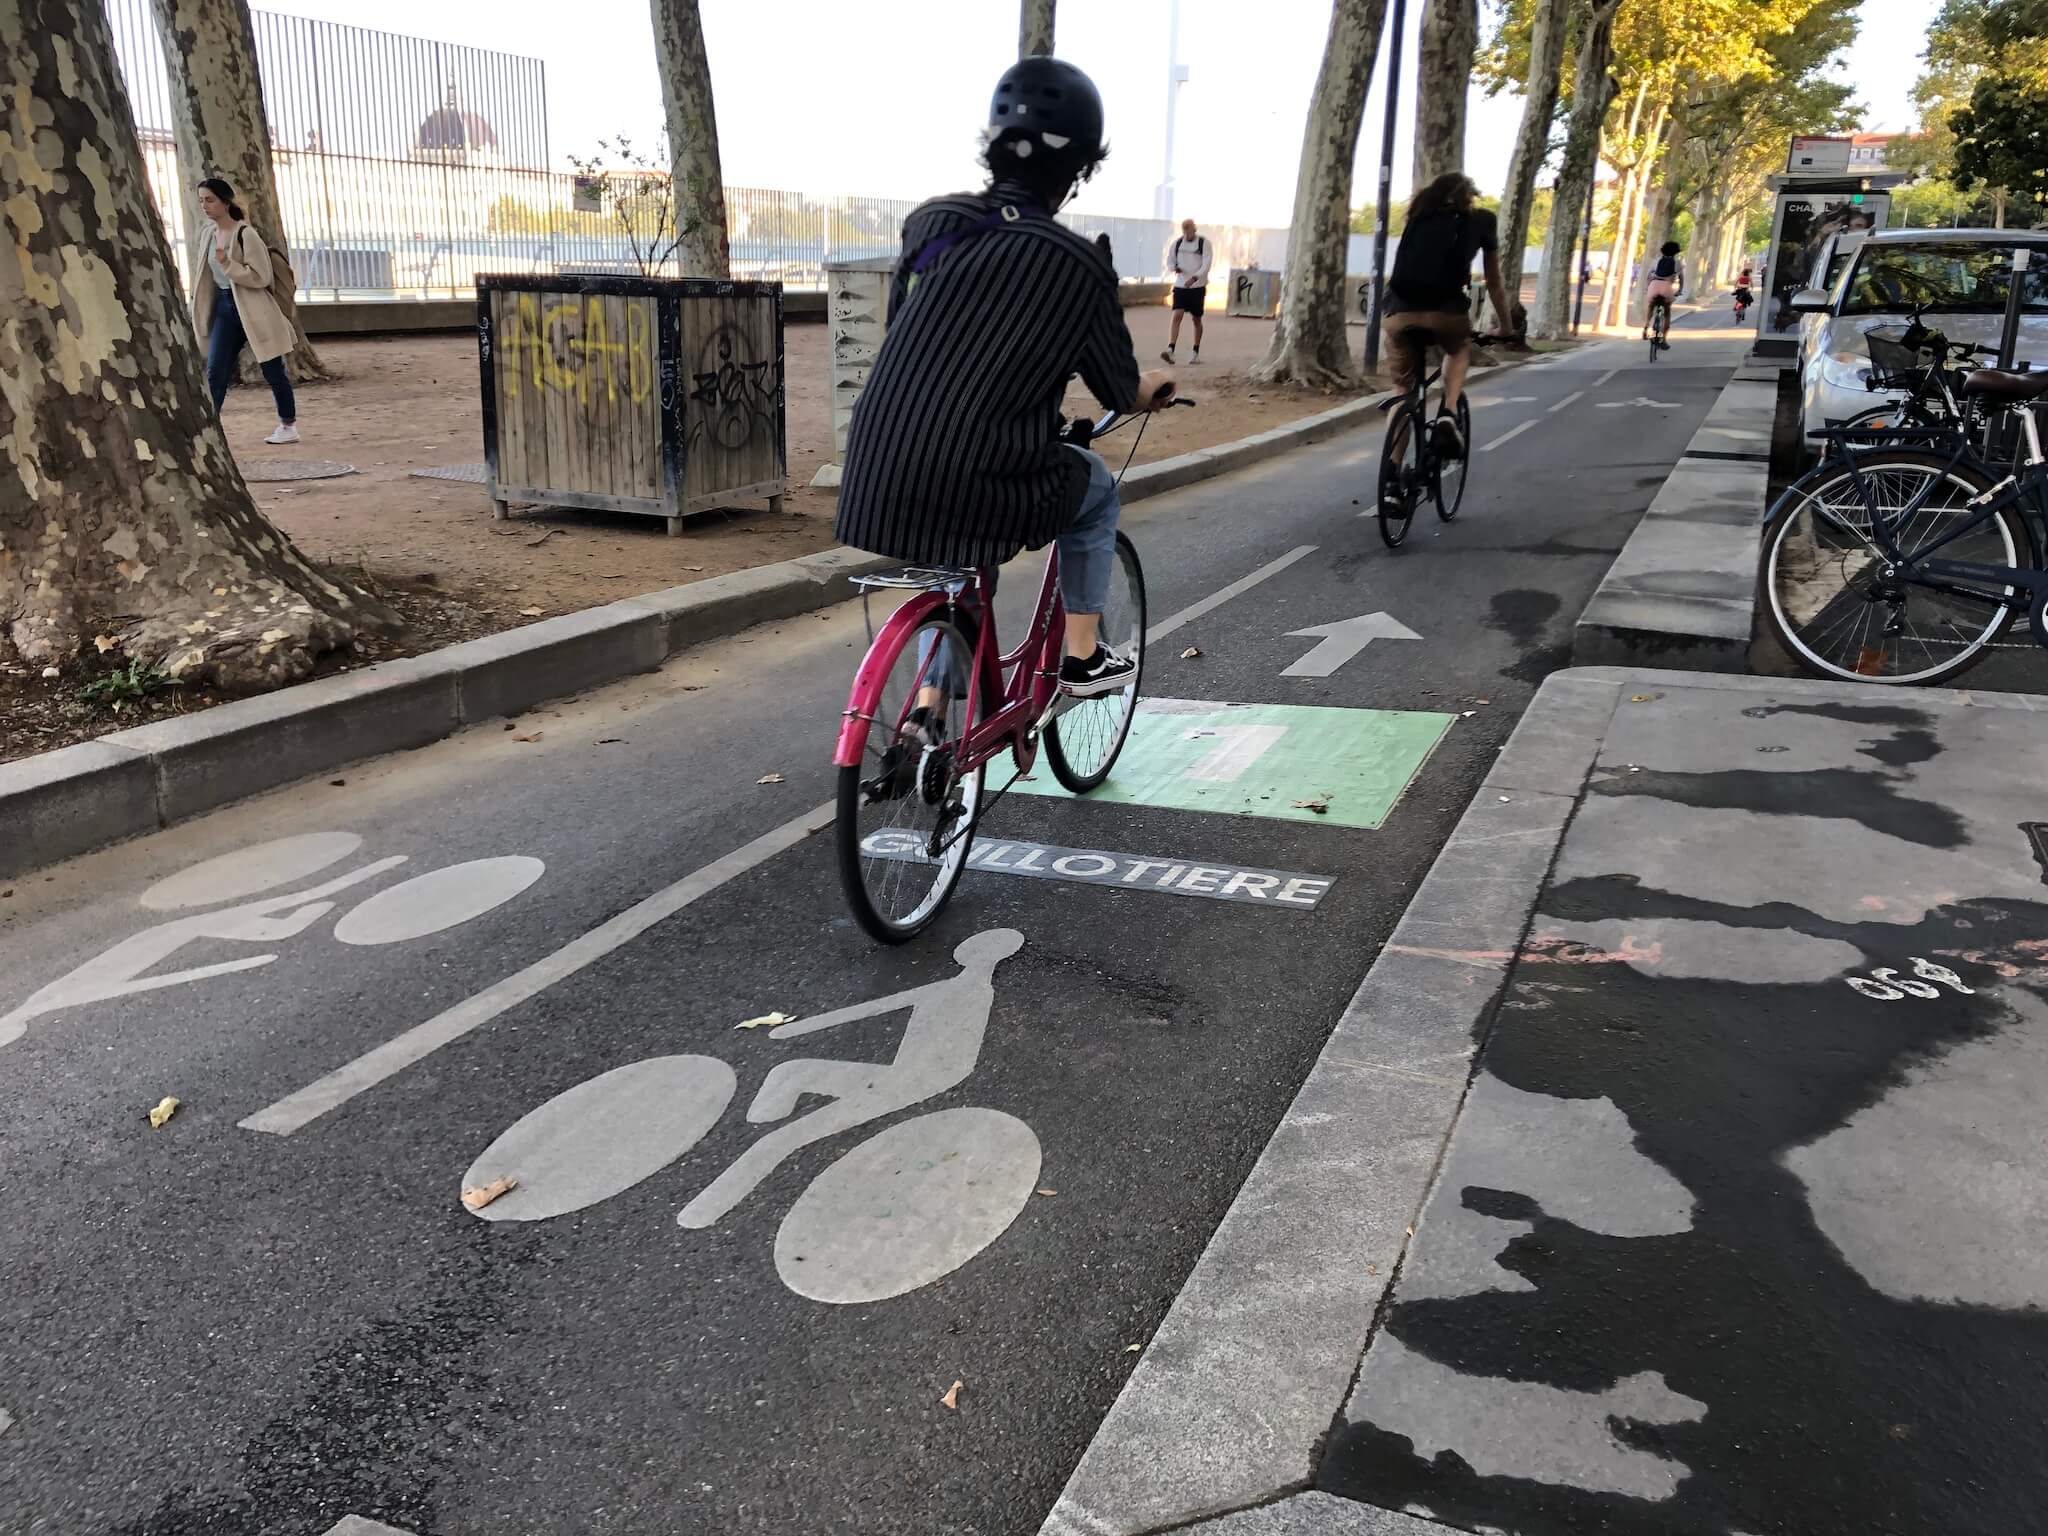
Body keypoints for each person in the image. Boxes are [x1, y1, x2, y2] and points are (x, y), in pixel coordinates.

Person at [834, 57, 1174, 704]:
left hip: (875, 468)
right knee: (1095, 489)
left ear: (992, 147)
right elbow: (1114, 388)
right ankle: (1083, 655)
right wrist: (1151, 386)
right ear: (1079, 168)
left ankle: (929, 714)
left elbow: (909, 327)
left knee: (962, 550)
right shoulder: (1078, 266)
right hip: (981, 475)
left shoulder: (931, 224)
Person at [1380, 172, 1516, 462]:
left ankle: (1392, 479)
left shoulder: (1418, 216)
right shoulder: (1482, 220)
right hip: (1447, 313)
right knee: (1458, 349)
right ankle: (1448, 413)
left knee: (1403, 390)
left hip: (1399, 312)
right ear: (1469, 197)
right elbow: (1494, 282)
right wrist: (1505, 326)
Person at [195, 177, 300, 444]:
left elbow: (261, 277)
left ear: (225, 201)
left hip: (252, 307)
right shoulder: (207, 233)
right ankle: (211, 427)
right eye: (201, 201)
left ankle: (288, 425)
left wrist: (229, 265)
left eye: (210, 200)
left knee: (272, 368)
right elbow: (203, 276)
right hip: (223, 307)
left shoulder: (245, 234)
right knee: (215, 370)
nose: (205, 206)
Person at [1162, 217, 1211, 364]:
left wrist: (1195, 278)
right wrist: (1174, 268)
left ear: (1194, 229)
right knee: (1177, 315)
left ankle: (1195, 350)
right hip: (1181, 286)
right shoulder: (1177, 244)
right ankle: (1171, 349)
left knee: (1196, 319)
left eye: (1189, 230)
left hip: (1197, 287)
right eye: (1184, 231)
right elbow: (1170, 261)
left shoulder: (1204, 243)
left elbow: (1206, 264)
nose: (1186, 234)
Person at [1642, 240, 1684, 346]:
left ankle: (1646, 327)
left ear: (1663, 251)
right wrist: (1680, 290)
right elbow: (1681, 278)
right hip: (1666, 288)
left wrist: (1647, 287)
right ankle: (1663, 339)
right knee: (1667, 313)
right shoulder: (1678, 263)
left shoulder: (1656, 260)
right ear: (1676, 252)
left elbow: (1648, 275)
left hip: (1654, 285)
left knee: (1651, 306)